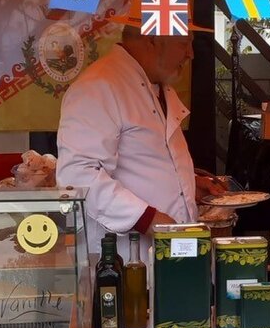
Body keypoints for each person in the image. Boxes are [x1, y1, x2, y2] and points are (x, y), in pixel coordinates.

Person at [56, 25, 223, 250]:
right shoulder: (97, 86)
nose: (191, 53)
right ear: (153, 39)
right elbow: (77, 176)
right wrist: (148, 219)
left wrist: (189, 184)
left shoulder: (157, 86)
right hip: (125, 258)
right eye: (184, 43)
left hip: (172, 253)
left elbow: (144, 162)